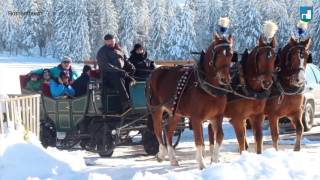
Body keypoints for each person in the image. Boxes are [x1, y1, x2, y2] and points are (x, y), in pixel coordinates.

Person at [96, 34, 135, 112]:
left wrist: (131, 67)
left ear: (114, 40)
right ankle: (125, 102)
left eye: (112, 40)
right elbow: (106, 66)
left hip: (120, 73)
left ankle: (136, 100)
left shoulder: (119, 49)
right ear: (105, 42)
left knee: (133, 79)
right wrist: (120, 71)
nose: (110, 42)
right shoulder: (102, 52)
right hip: (108, 76)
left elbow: (125, 60)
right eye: (108, 41)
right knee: (117, 76)